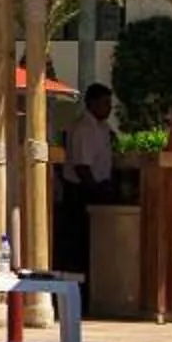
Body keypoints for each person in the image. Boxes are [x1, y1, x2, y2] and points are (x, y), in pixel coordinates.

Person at [54, 82, 118, 278]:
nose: (108, 108)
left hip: (96, 187)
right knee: (78, 244)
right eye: (104, 103)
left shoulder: (102, 127)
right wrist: (97, 193)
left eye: (110, 104)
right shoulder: (84, 128)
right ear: (91, 103)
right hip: (81, 192)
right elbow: (82, 166)